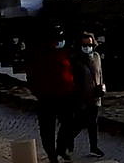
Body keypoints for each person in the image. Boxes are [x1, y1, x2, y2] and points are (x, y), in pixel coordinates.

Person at [25, 23, 76, 163]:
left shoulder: (65, 52)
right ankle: (52, 156)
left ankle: (61, 149)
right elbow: (31, 74)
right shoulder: (39, 54)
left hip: (65, 95)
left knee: (69, 123)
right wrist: (37, 92)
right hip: (46, 97)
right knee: (48, 129)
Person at [69, 32, 105, 158]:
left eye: (89, 44)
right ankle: (66, 141)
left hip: (94, 95)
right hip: (81, 97)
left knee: (93, 123)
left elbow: (99, 74)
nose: (87, 47)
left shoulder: (96, 56)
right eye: (84, 45)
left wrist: (102, 87)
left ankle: (94, 147)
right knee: (80, 122)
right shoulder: (75, 60)